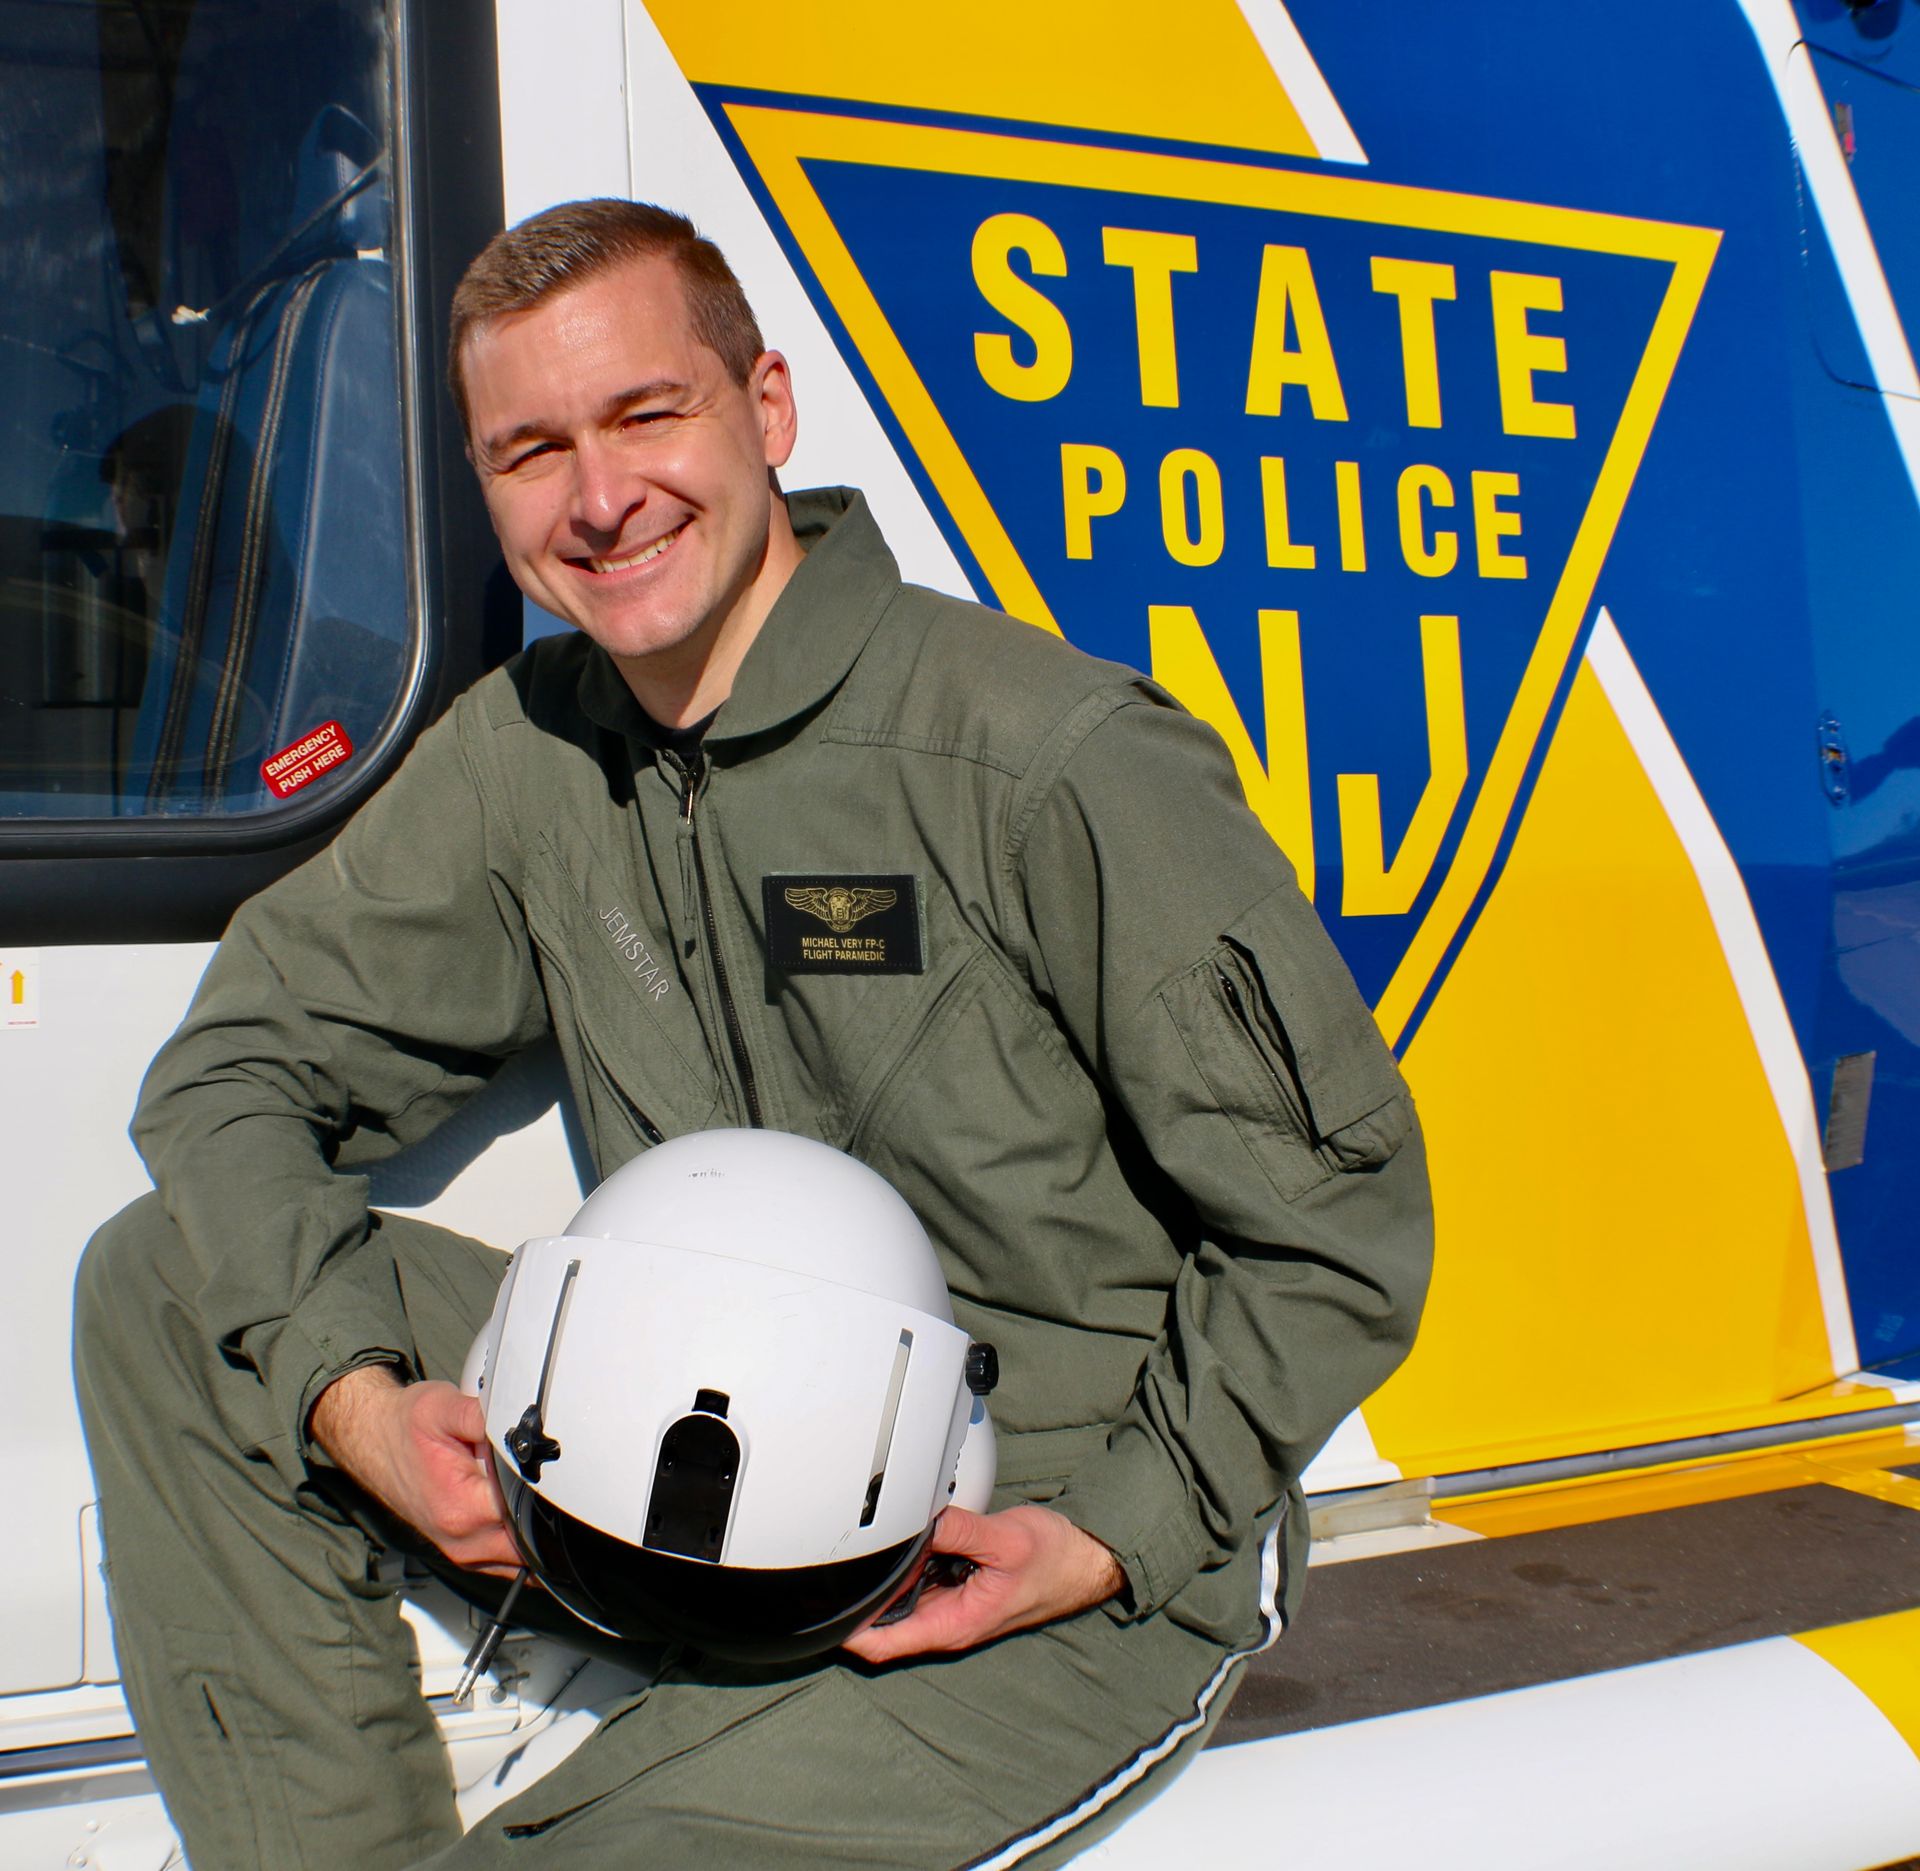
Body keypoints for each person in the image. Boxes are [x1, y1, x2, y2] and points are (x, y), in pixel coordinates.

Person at [74, 199, 1433, 1870]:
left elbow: (1338, 1230)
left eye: (646, 415)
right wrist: (358, 1404)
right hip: (658, 1455)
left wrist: (1109, 1534)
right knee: (163, 1281)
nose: (599, 499)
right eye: (530, 452)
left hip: (1009, 1535)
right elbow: (231, 1073)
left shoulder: (1045, 755)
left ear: (766, 409)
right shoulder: (527, 757)